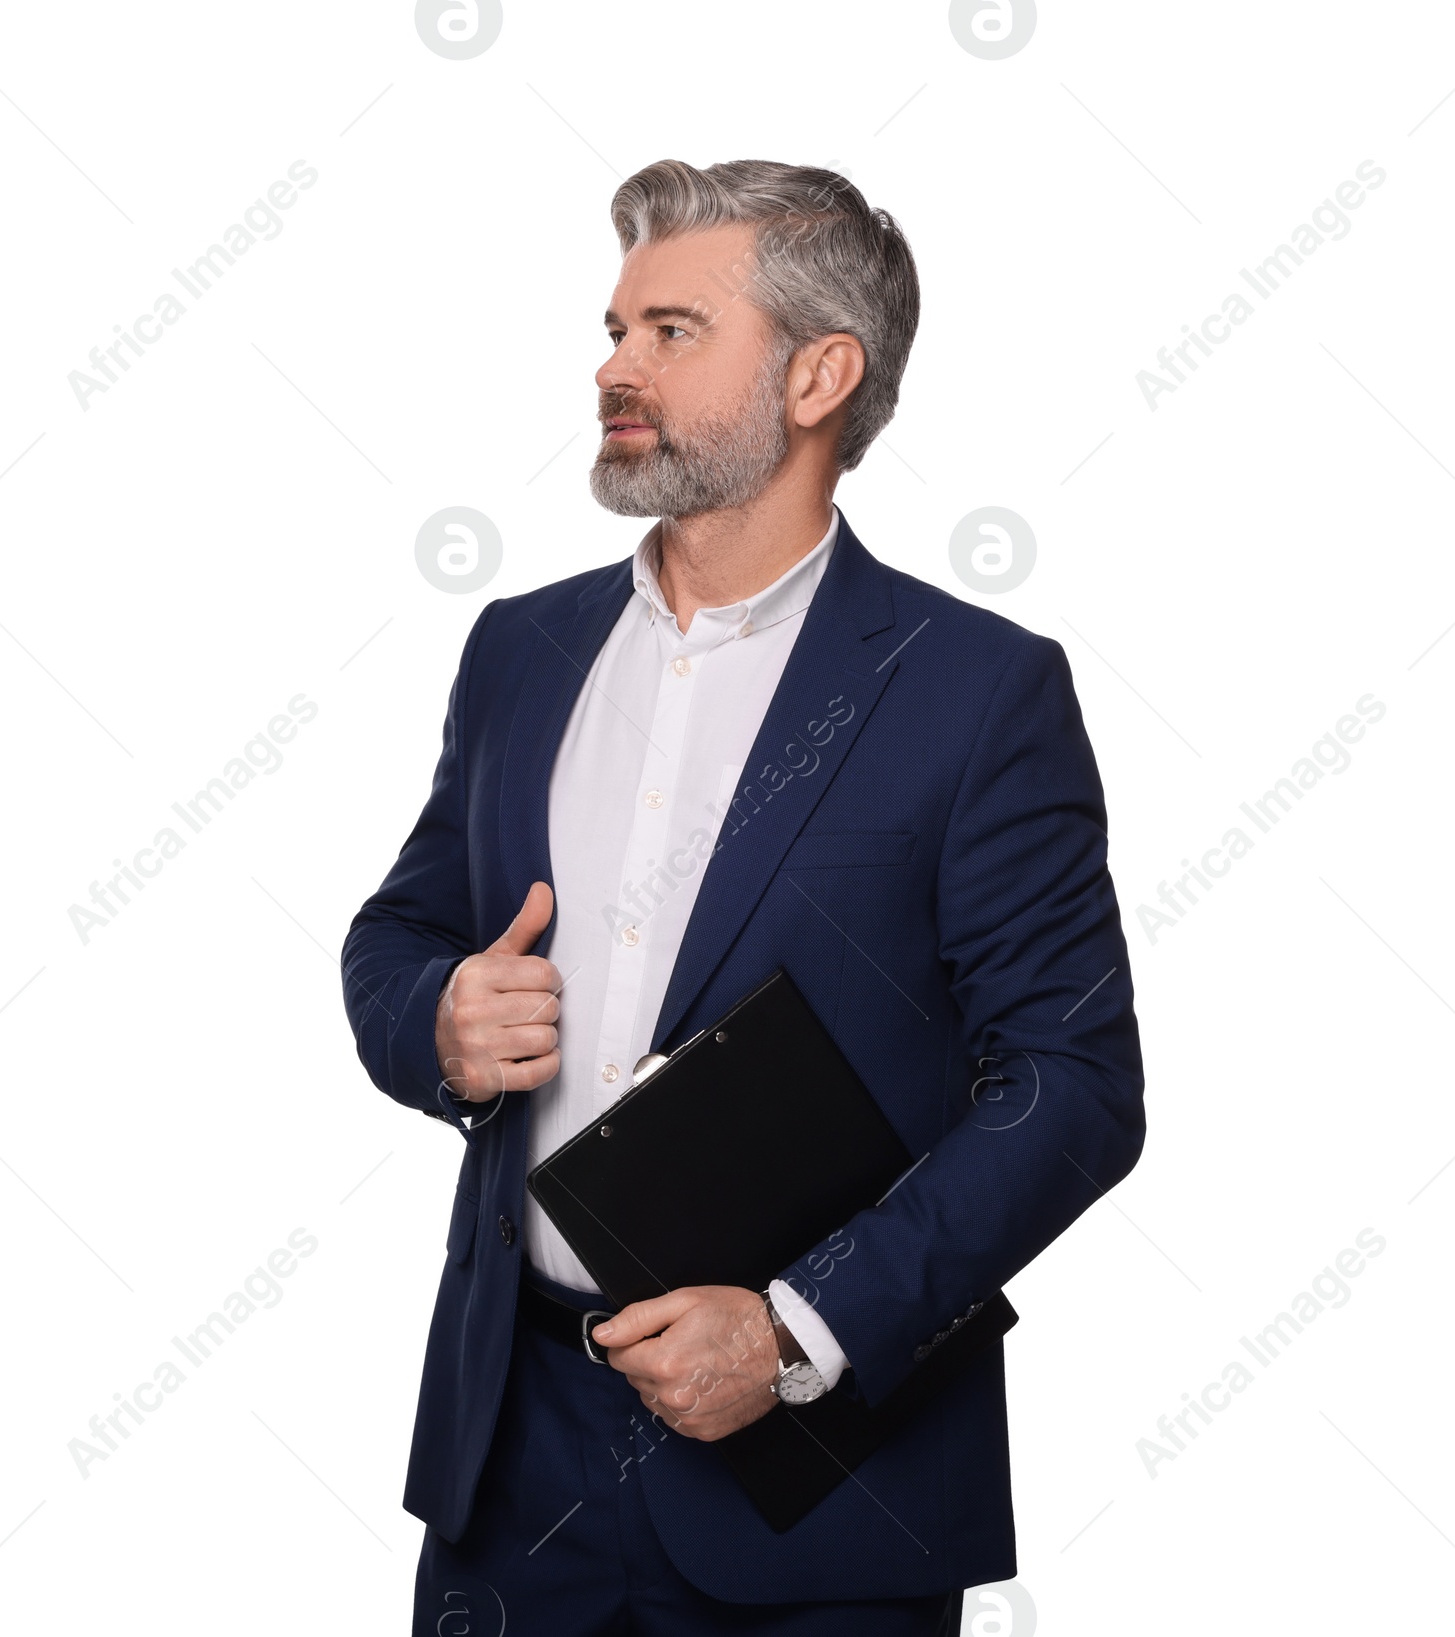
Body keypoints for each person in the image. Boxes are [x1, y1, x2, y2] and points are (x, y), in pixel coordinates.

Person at [341, 157, 1145, 1637]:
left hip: (824, 1494)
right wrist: (439, 1016)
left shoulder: (978, 693)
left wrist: (795, 1333)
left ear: (818, 374)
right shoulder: (520, 649)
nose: (612, 364)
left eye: (671, 331)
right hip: (511, 1462)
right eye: (614, 325)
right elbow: (398, 935)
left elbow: (1073, 1088)